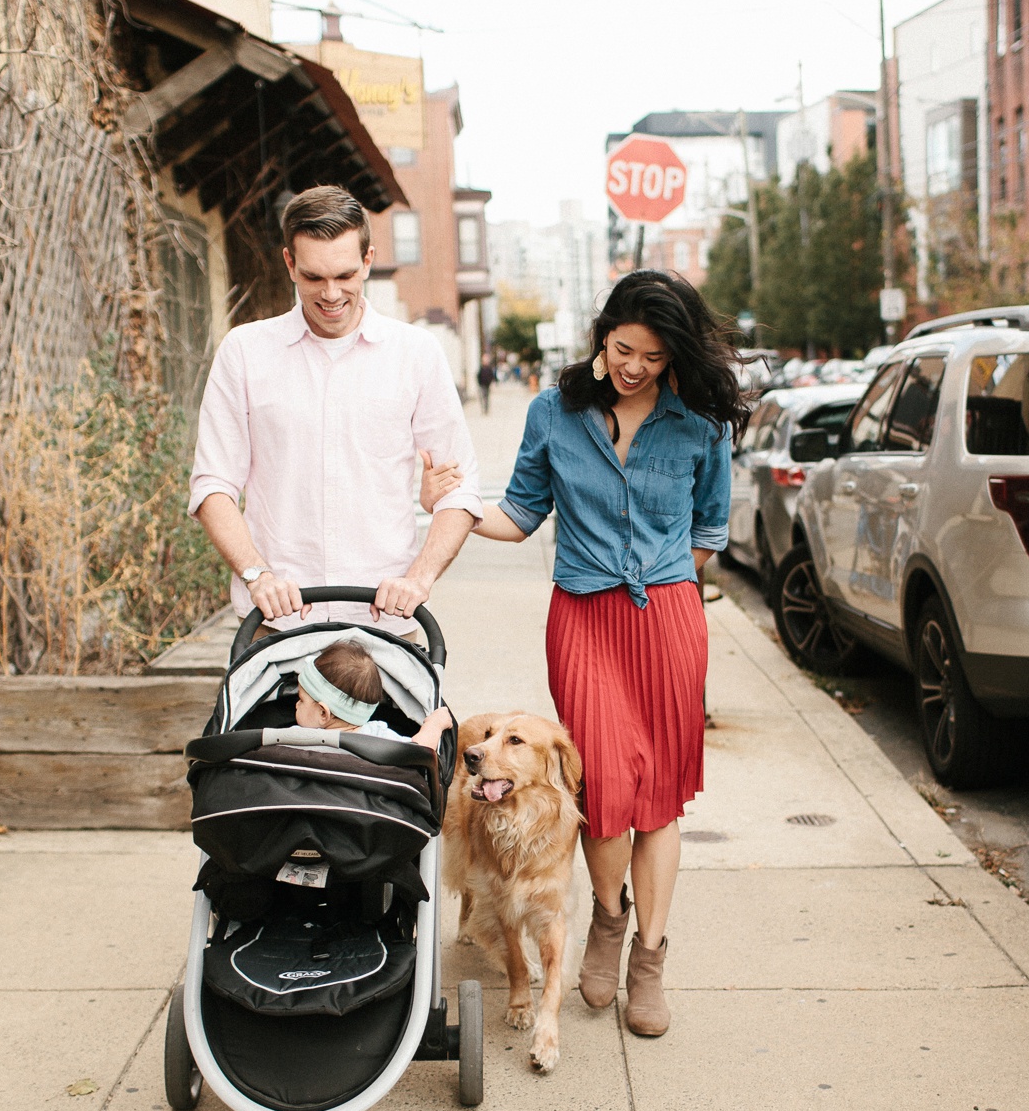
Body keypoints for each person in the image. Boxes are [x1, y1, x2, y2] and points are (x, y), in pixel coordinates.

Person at [429, 270, 745, 1037]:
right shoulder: (555, 411)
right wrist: (451, 504)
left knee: (659, 796)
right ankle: (607, 921)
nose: (636, 366)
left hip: (667, 620)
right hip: (583, 622)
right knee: (603, 791)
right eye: (625, 348)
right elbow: (520, 513)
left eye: (655, 357)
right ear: (603, 334)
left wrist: (664, 594)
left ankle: (649, 955)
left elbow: (710, 533)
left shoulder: (699, 423)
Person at [189, 185, 480, 638]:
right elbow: (212, 485)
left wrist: (419, 579)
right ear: (289, 263)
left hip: (384, 624)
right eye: (313, 277)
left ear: (368, 260)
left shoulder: (416, 353)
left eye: (345, 275)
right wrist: (256, 574)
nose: (331, 294)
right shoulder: (244, 352)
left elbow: (461, 493)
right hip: (276, 625)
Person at [295, 640, 453, 750]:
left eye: (301, 700)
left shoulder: (296, 739)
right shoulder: (379, 737)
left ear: (323, 713)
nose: (296, 705)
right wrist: (435, 724)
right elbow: (421, 749)